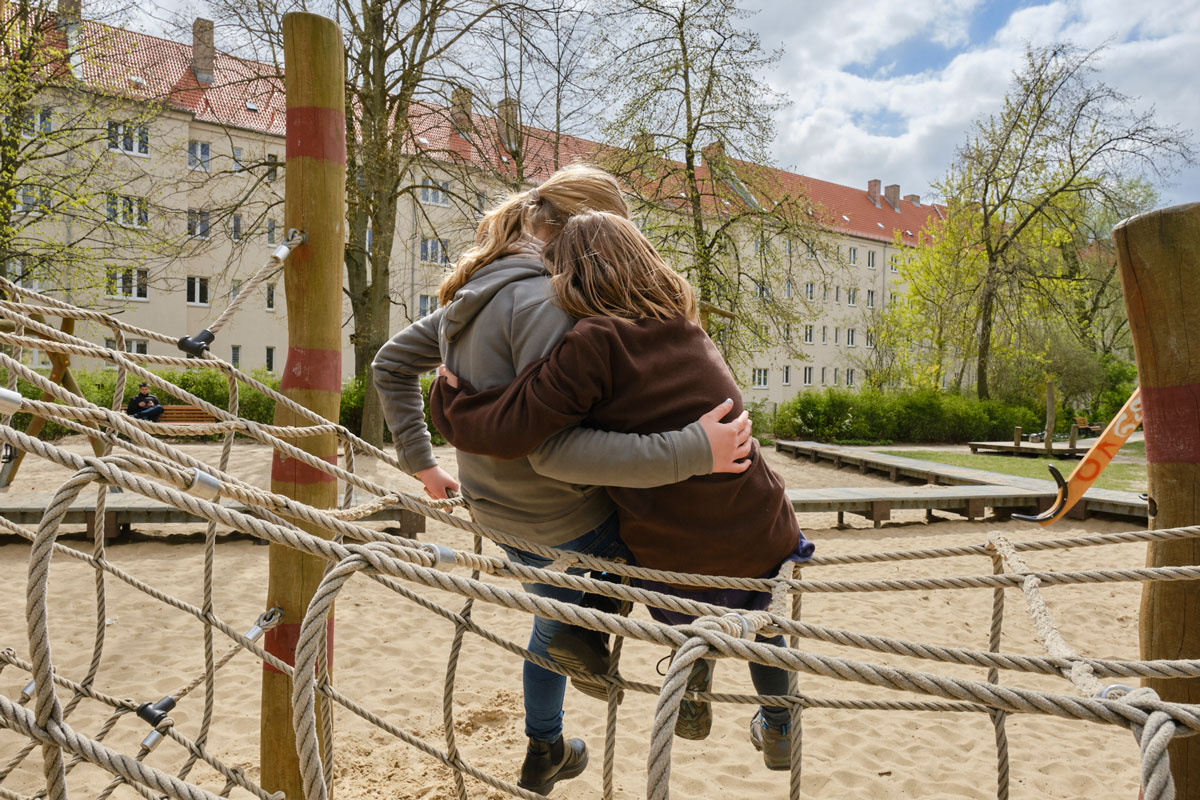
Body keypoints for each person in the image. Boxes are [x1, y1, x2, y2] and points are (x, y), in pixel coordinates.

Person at [371, 165, 753, 795]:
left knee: (549, 606)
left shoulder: (472, 294)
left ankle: (546, 744)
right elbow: (554, 447)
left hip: (497, 511)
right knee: (683, 543)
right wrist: (693, 448)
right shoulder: (554, 307)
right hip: (564, 513)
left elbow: (390, 365)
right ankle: (688, 673)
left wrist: (423, 462)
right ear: (588, 237)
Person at [430, 210, 815, 771]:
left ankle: (670, 661)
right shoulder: (685, 325)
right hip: (761, 515)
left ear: (568, 276)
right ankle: (779, 727)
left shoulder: (593, 340)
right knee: (762, 613)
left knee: (662, 586)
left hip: (670, 538)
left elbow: (519, 428)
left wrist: (451, 402)